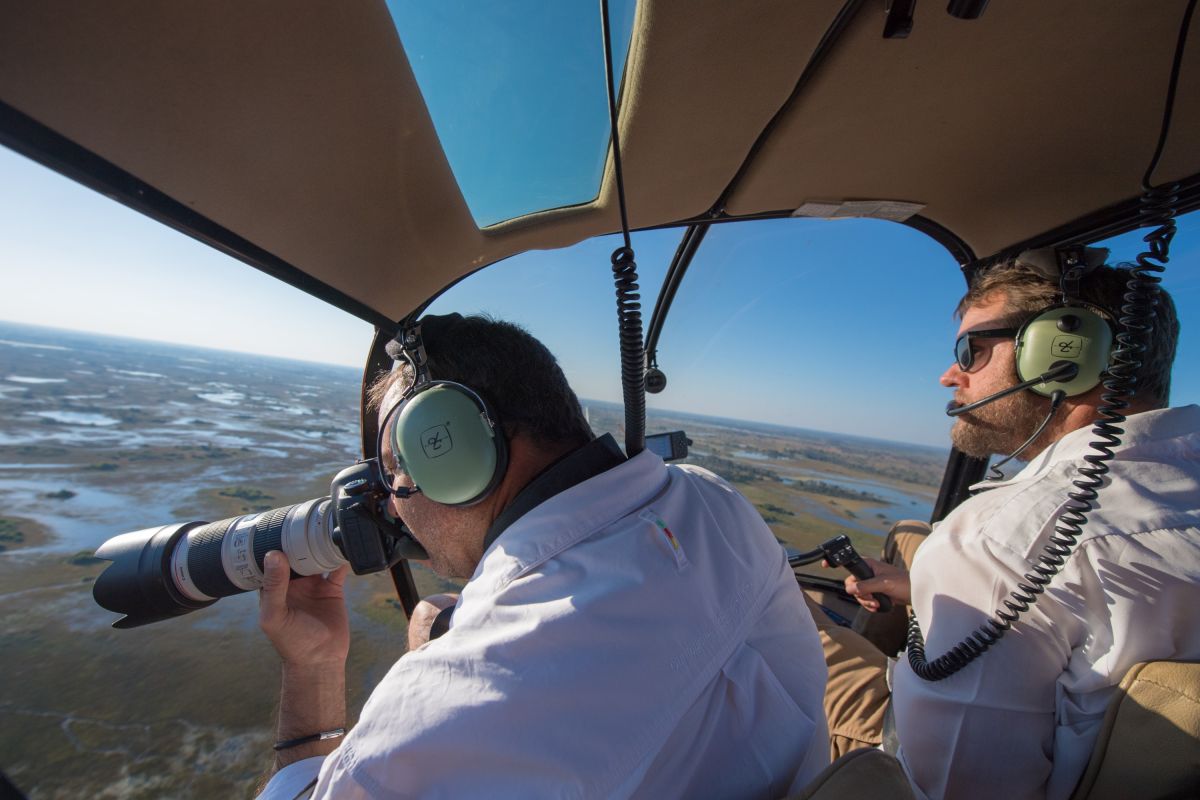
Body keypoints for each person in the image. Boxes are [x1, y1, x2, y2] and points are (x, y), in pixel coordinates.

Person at [255, 313, 830, 799]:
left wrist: (315, 668)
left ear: (456, 448)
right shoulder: (712, 499)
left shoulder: (462, 697)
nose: (391, 505)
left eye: (395, 467)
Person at [813, 250, 1200, 799]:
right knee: (908, 538)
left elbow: (939, 786)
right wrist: (924, 589)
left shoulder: (997, 540)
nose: (949, 375)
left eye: (971, 351)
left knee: (802, 620)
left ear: (1065, 353)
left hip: (901, 767)